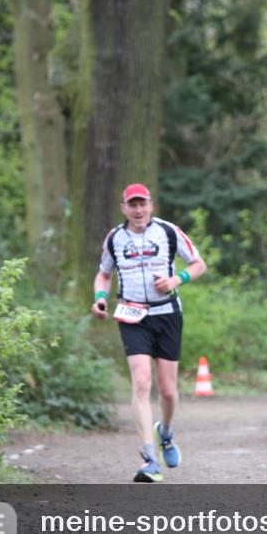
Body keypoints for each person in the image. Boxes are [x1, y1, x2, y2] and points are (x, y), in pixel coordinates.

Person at [92, 183, 207, 482]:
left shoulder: (168, 232)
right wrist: (100, 298)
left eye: (143, 204)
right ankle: (149, 459)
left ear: (151, 206)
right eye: (133, 204)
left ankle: (165, 433)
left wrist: (176, 279)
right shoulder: (115, 238)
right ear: (124, 208)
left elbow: (198, 264)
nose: (138, 210)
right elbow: (104, 273)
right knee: (141, 383)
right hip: (132, 315)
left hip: (167, 313)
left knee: (168, 392)